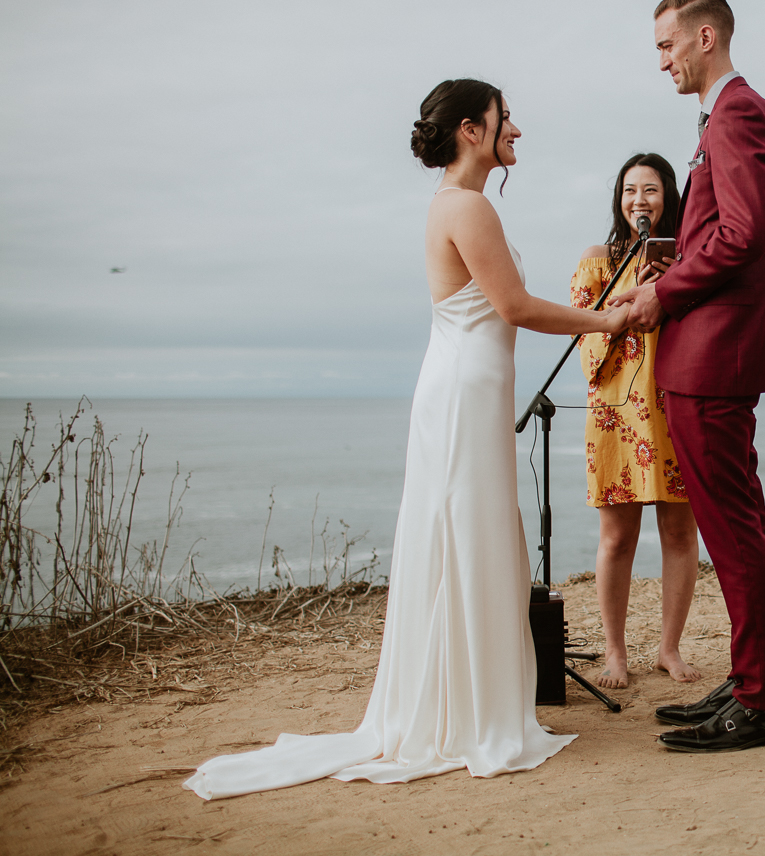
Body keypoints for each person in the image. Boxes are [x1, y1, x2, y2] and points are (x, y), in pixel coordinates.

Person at [184, 79, 629, 800]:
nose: (516, 128)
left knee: (471, 537)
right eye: (504, 117)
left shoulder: (457, 204)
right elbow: (513, 306)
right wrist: (607, 323)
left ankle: (470, 701)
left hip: (470, 389)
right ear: (470, 131)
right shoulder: (467, 206)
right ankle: (470, 712)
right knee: (467, 535)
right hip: (462, 394)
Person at [612, 0, 765, 753]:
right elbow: (723, 229)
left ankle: (762, 700)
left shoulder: (737, 113)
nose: (661, 61)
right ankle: (752, 678)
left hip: (713, 355)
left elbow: (744, 234)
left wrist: (662, 288)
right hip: (711, 353)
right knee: (737, 526)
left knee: (735, 532)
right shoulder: (727, 116)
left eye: (667, 45)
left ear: (706, 36)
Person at [570, 153, 702, 690]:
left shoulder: (689, 261)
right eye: (629, 190)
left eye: (650, 190)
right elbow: (586, 351)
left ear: (668, 197)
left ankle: (669, 649)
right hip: (617, 415)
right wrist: (631, 300)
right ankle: (615, 651)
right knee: (616, 539)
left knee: (679, 532)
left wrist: (672, 288)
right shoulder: (597, 261)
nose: (639, 201)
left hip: (675, 407)